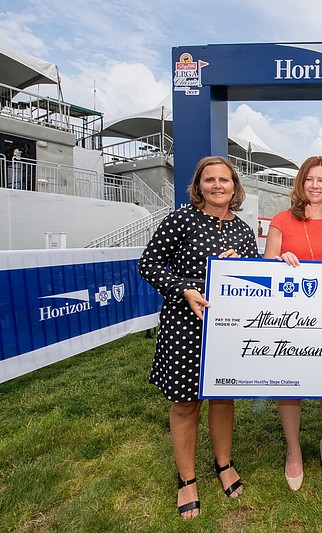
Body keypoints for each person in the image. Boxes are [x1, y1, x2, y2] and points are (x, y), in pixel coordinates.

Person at [139, 156, 259, 519]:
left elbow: (256, 277)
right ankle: (187, 479)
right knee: (185, 403)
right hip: (184, 324)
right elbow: (150, 263)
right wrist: (183, 290)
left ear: (235, 187)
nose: (218, 185)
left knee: (222, 397)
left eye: (225, 179)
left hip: (227, 327)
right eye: (210, 180)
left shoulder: (243, 229)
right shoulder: (180, 220)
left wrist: (240, 264)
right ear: (198, 185)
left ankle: (224, 464)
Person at [263, 155, 322, 490]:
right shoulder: (281, 220)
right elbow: (266, 269)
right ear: (301, 183)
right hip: (290, 318)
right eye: (309, 179)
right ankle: (294, 449)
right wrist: (278, 261)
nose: (315, 186)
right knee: (291, 380)